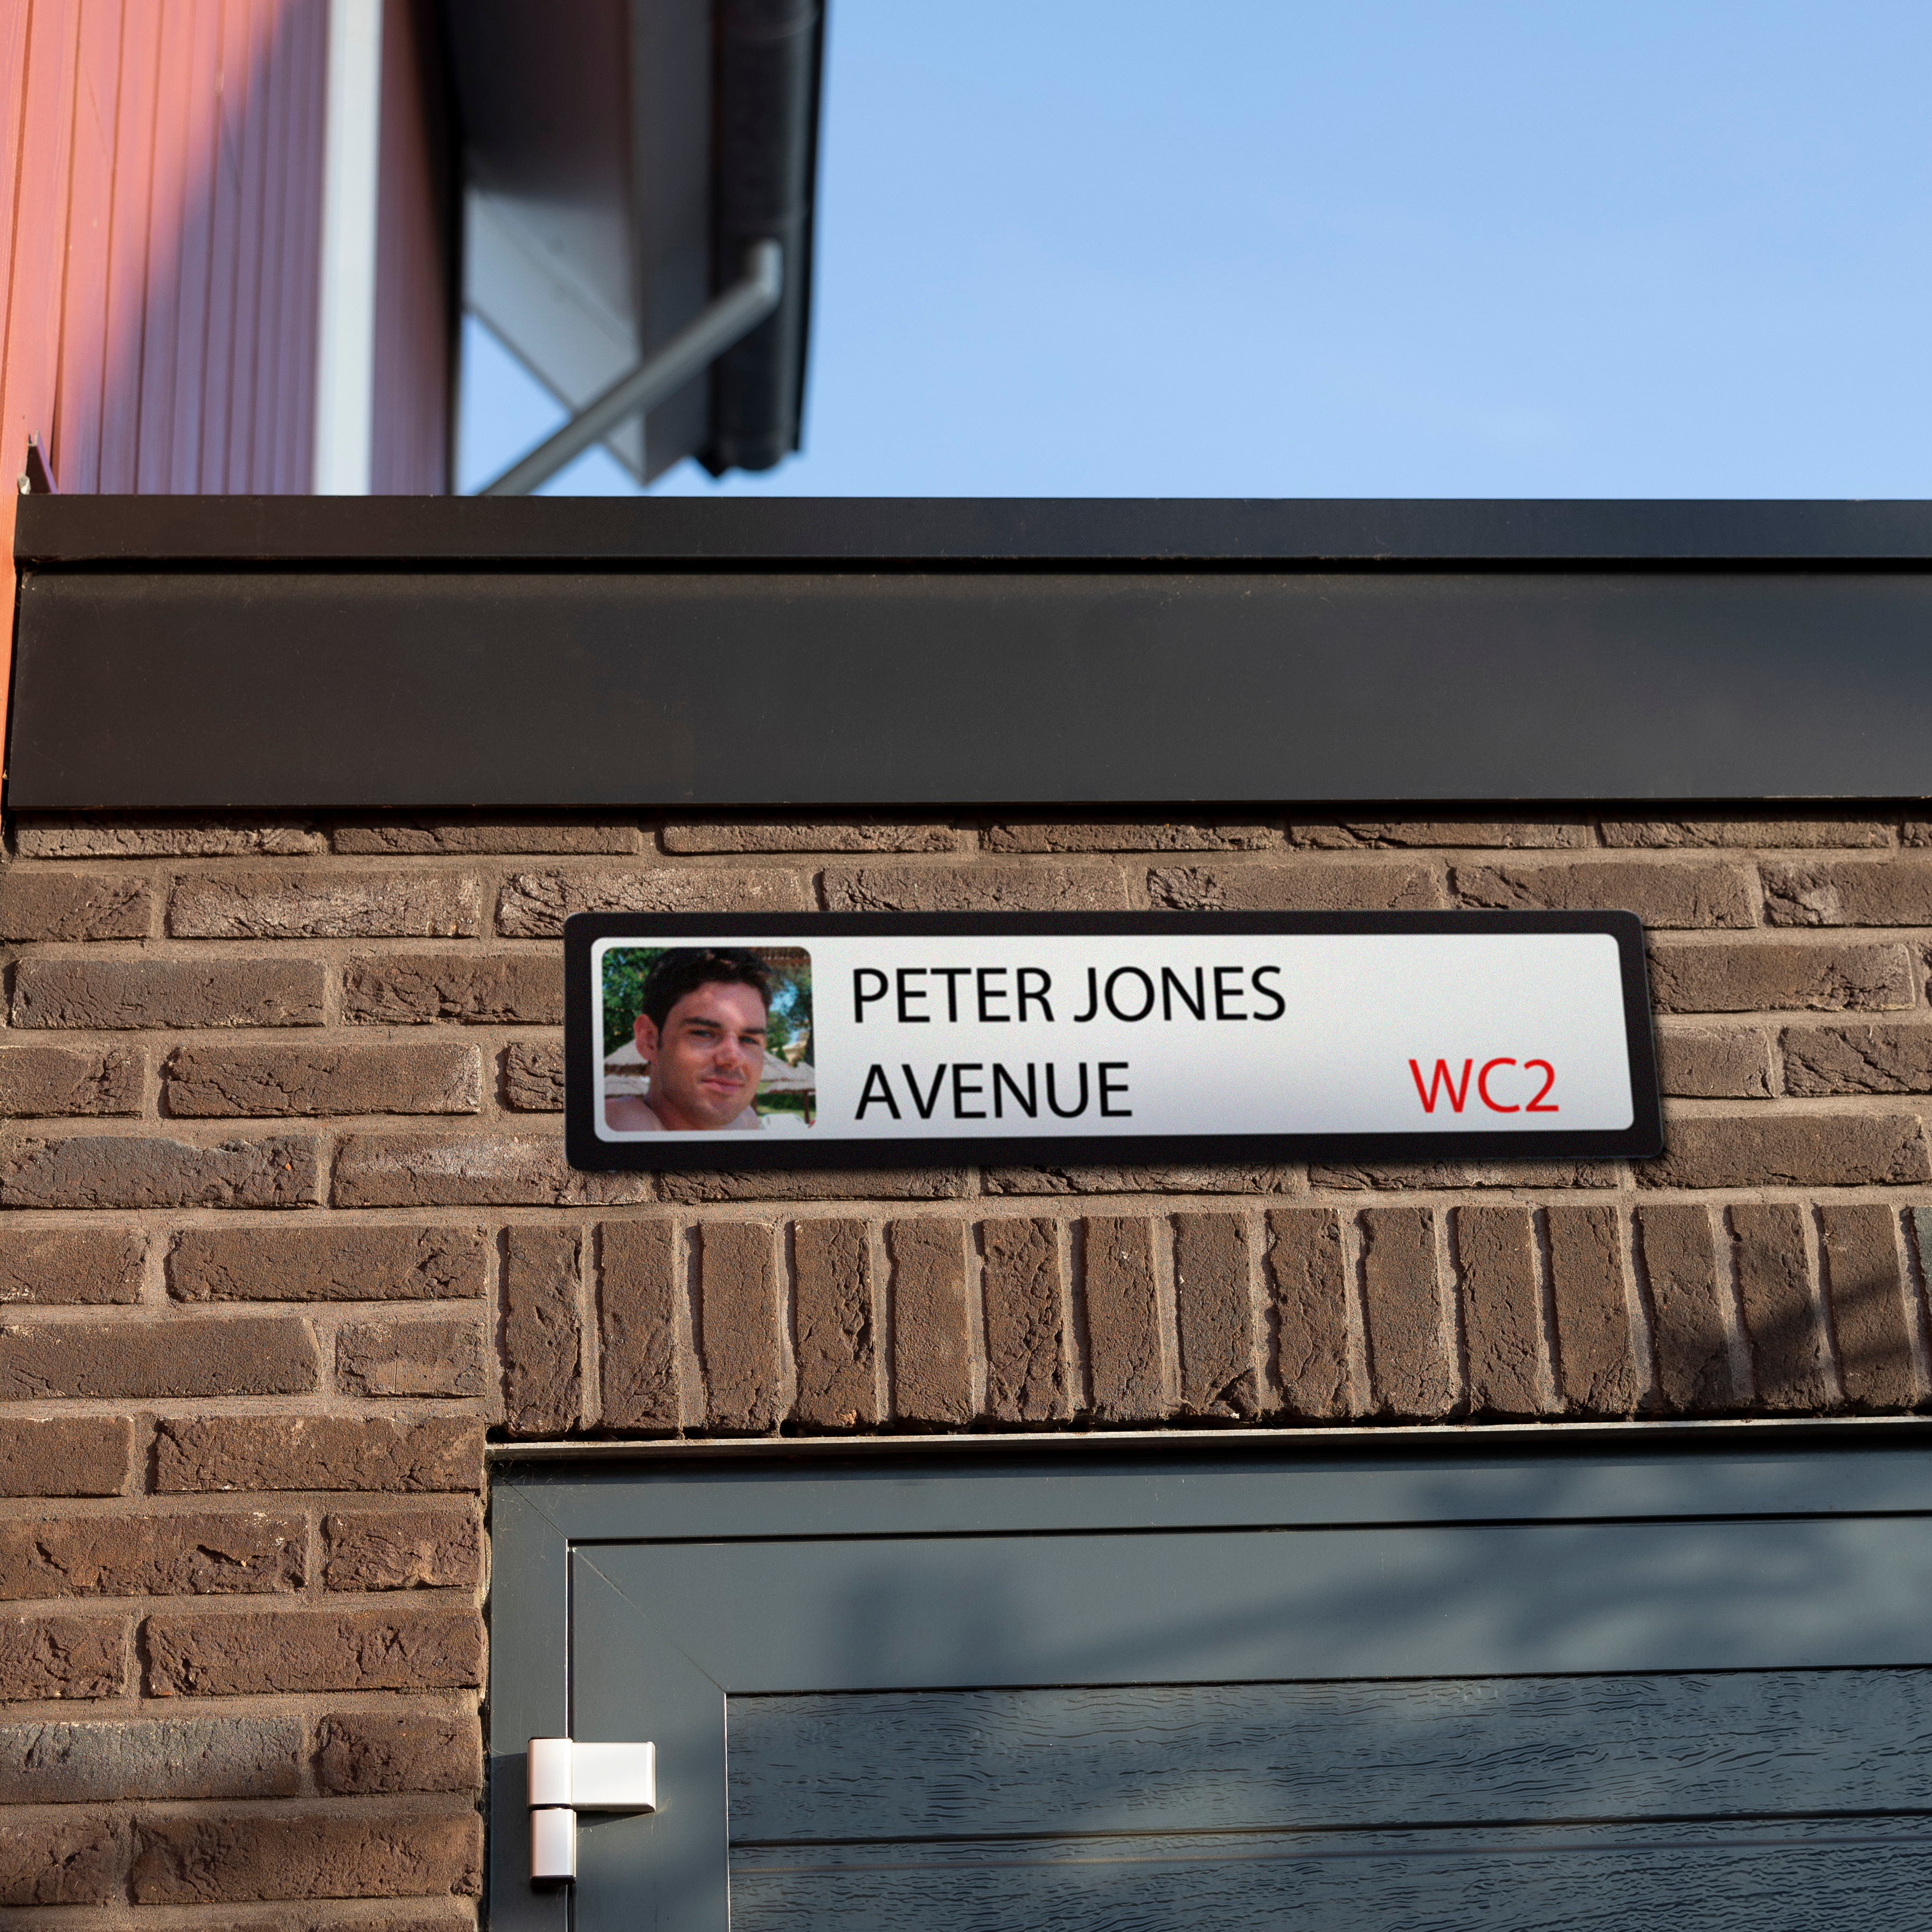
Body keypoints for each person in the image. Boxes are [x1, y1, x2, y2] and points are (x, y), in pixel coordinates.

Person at [605, 948, 772, 1132]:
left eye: (749, 1040)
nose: (734, 1057)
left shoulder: (747, 1122)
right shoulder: (613, 1127)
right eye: (703, 1033)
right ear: (649, 1040)